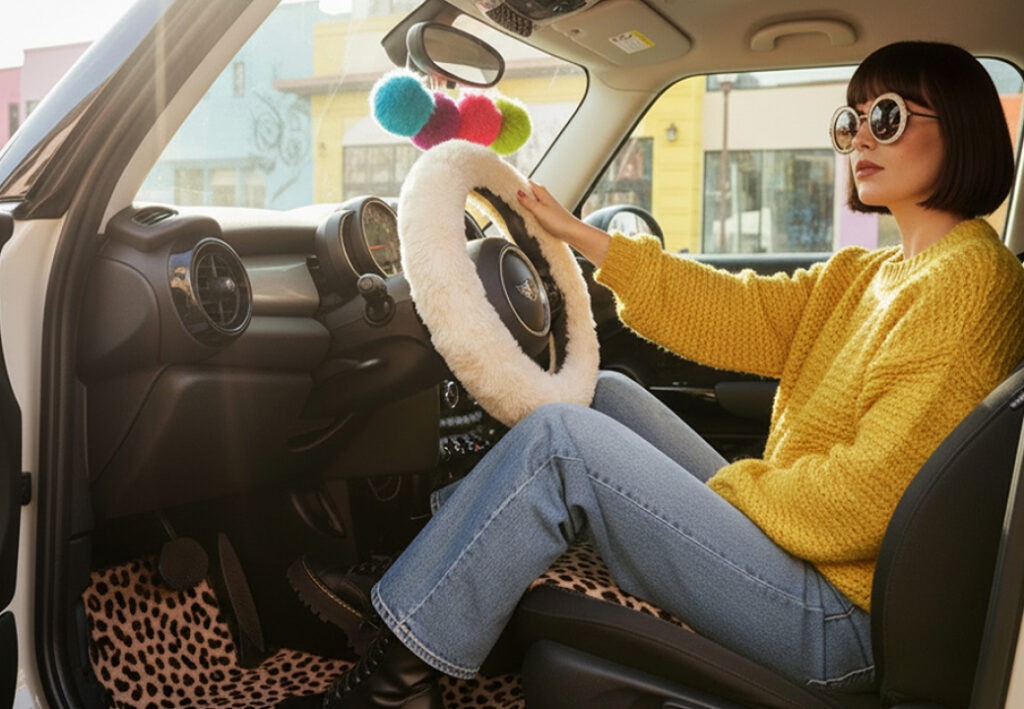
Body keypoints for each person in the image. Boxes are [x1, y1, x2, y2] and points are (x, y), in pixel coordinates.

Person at [287, 40, 1024, 708]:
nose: (859, 136)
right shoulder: (869, 273)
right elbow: (735, 311)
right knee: (604, 396)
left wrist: (730, 494)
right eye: (851, 119)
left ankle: (391, 685)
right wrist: (585, 240)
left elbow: (865, 499)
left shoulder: (965, 284)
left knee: (562, 442)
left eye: (887, 116)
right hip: (811, 562)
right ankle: (431, 577)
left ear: (958, 126)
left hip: (839, 621)